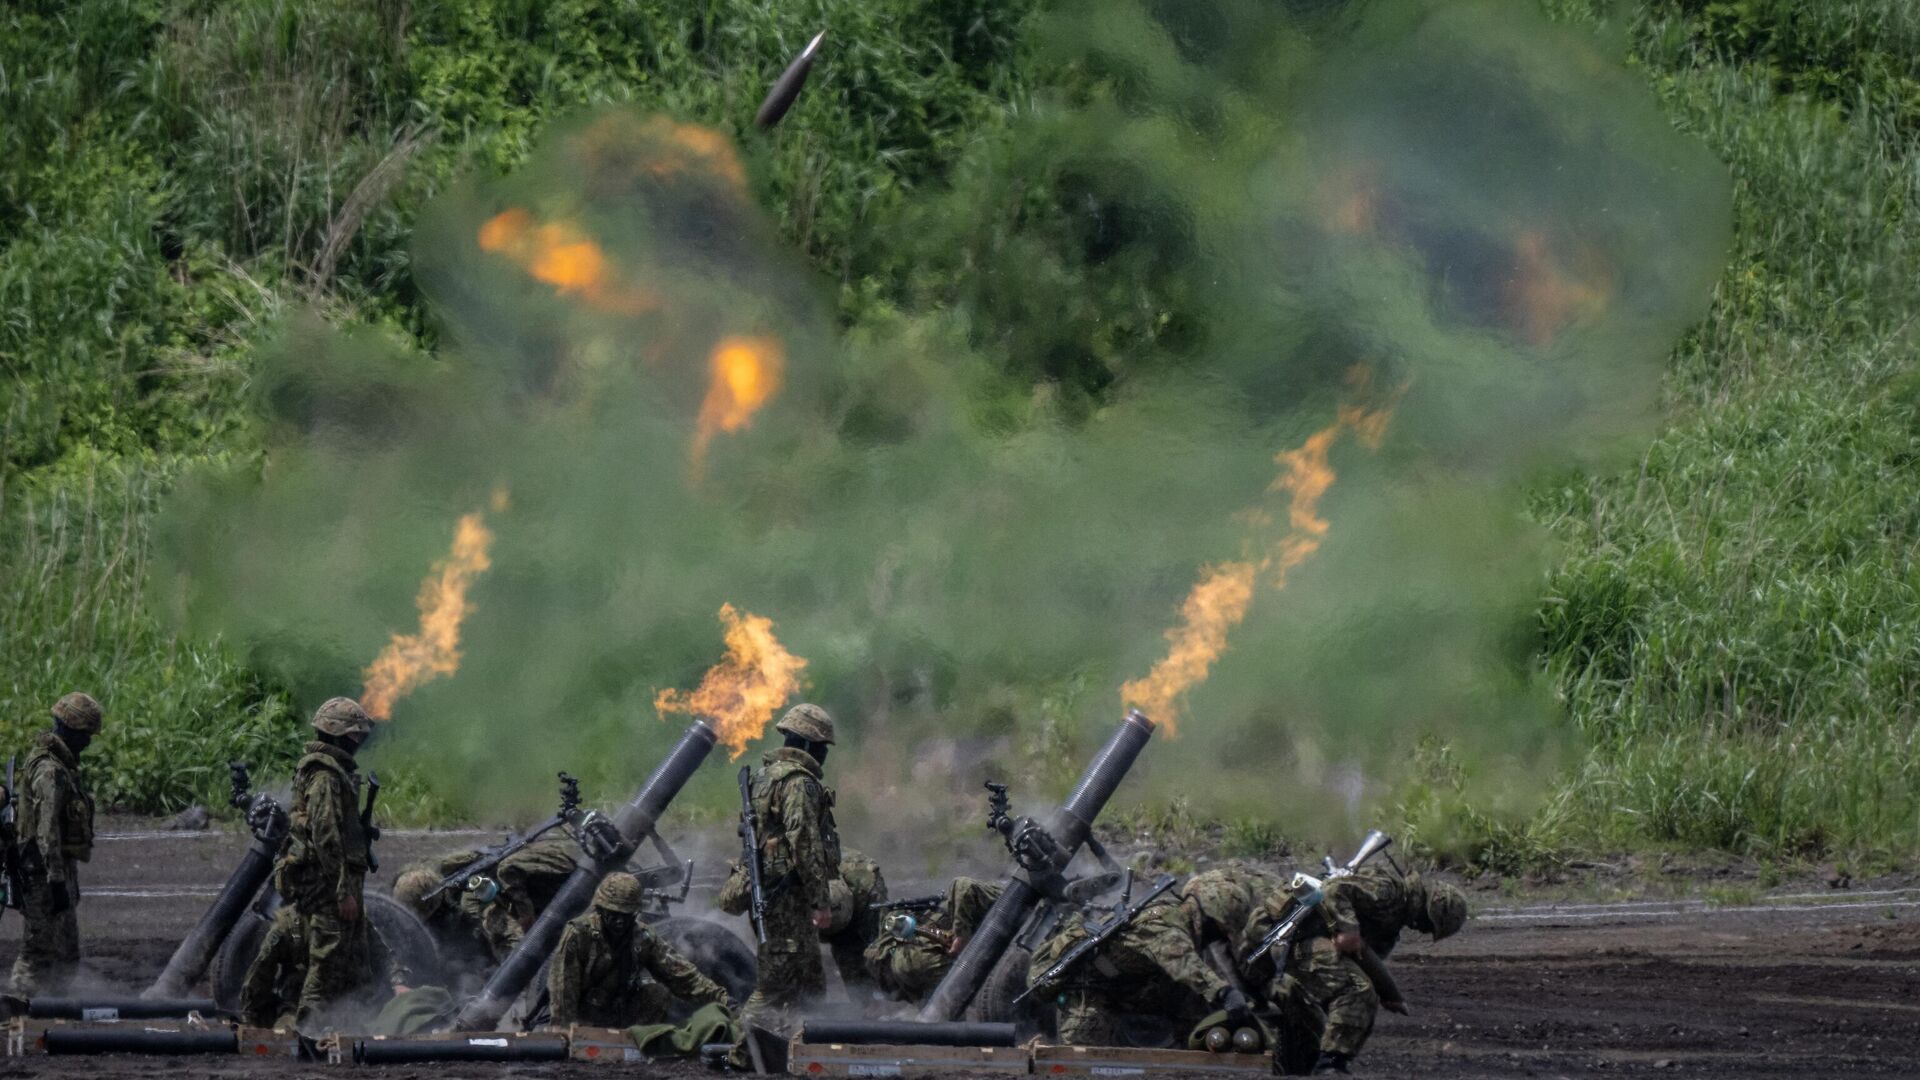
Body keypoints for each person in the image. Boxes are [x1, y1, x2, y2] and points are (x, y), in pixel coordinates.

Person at [1245, 867, 1467, 1075]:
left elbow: (1366, 959)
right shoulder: (1388, 891)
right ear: (1428, 910)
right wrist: (1348, 929)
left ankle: (1312, 1064)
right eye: (1428, 925)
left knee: (1319, 1021)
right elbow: (1333, 890)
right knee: (1357, 990)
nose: (1421, 929)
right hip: (1290, 939)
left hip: (1304, 943)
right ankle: (1331, 1066)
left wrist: (1389, 994)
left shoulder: (1391, 925)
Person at [256, 696, 377, 1033]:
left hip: (332, 882)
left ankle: (353, 1026)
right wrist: (342, 893)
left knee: (353, 959)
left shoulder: (327, 772)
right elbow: (326, 836)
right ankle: (306, 1033)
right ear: (340, 736)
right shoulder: (324, 776)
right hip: (327, 886)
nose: (358, 743)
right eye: (354, 736)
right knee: (325, 958)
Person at [724, 703, 841, 1040]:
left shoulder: (764, 777)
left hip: (778, 893)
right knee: (774, 986)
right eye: (821, 748)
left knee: (810, 983)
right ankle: (735, 1046)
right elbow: (803, 840)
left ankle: (805, 1046)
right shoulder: (798, 782)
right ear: (807, 745)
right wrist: (821, 900)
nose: (822, 755)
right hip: (785, 897)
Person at [1027, 882, 1246, 1048]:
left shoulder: (1175, 915)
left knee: (1194, 1004)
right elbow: (1184, 963)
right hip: (1092, 990)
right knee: (1083, 1062)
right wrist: (1225, 993)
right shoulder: (1166, 926)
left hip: (1131, 985)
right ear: (1211, 917)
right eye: (1220, 931)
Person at [547, 873, 729, 1028]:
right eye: (614, 915)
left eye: (626, 915)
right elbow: (563, 985)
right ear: (600, 910)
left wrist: (721, 998)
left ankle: (634, 1043)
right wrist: (564, 1028)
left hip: (621, 1010)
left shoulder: (642, 936)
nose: (620, 922)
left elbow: (679, 973)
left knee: (657, 994)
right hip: (584, 1014)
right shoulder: (579, 933)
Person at [9, 692, 101, 995]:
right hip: (44, 875)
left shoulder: (60, 766)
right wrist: (57, 882)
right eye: (86, 735)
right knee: (37, 953)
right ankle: (17, 1013)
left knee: (65, 954)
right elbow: (46, 831)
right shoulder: (51, 772)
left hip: (55, 870)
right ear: (71, 731)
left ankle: (53, 1007)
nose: (88, 742)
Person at [862, 876, 1003, 1005]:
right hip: (919, 963)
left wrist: (961, 936)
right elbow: (962, 885)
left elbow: (963, 885)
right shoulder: (1007, 895)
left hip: (943, 965)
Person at [822, 848, 887, 1002]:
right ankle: (862, 1002)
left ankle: (878, 1000)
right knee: (844, 952)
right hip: (823, 901)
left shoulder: (868, 885)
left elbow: (878, 942)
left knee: (874, 950)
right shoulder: (800, 897)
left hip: (863, 896)